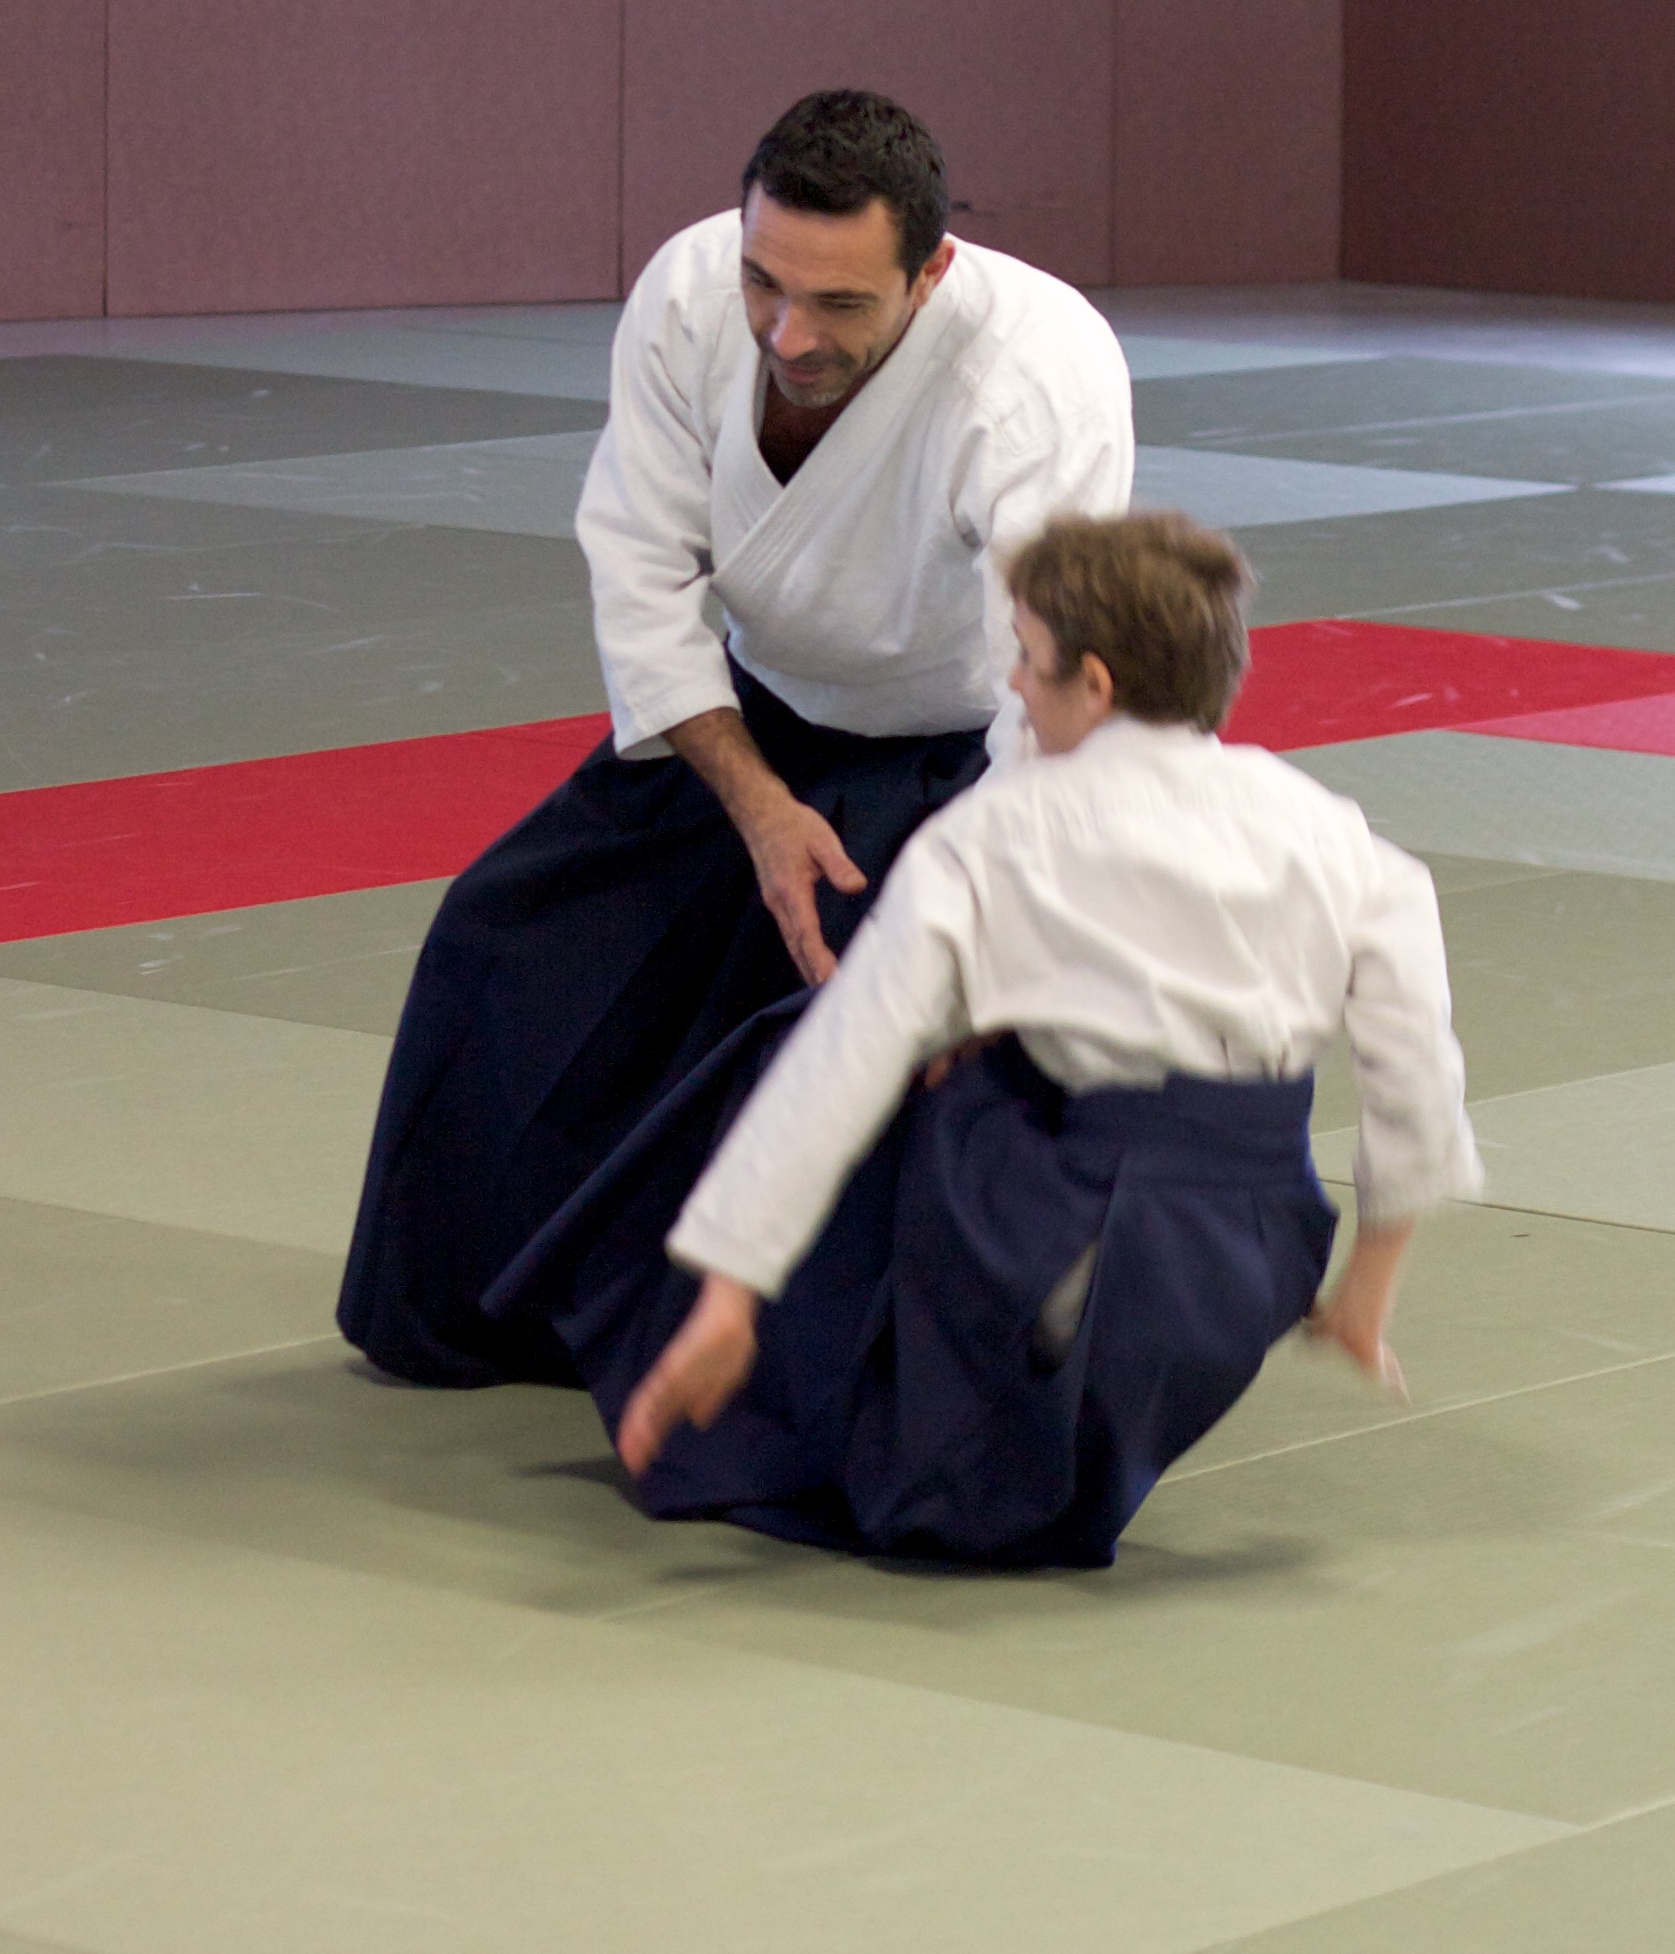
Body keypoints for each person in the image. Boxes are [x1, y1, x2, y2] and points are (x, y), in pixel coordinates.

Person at [498, 511, 1483, 1569]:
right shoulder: (1331, 828)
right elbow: (1413, 1070)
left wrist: (730, 1290)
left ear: (1092, 682)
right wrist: (1366, 1285)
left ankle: (946, 1420)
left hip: (1080, 1240)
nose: (1010, 681)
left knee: (887, 1077)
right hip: (1259, 1257)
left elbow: (838, 1064)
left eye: (1025, 654)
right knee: (987, 1058)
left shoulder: (996, 834)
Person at [339, 91, 1135, 1386]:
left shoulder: (1037, 377)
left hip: (960, 761)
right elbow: (640, 567)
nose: (788, 332)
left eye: (839, 303)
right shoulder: (688, 290)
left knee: (869, 1041)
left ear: (930, 271)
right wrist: (758, 806)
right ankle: (509, 1307)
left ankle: (838, 1371)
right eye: (767, 282)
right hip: (745, 722)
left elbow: (1048, 692)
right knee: (509, 942)